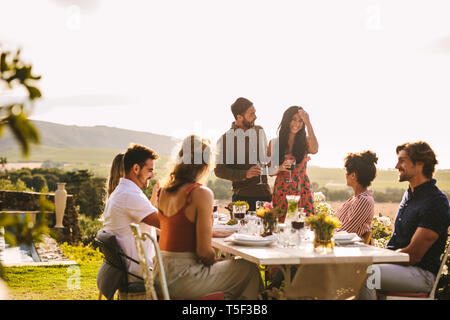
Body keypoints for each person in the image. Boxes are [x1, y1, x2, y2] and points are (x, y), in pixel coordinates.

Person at [154, 135, 263, 299]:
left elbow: (180, 232)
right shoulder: (199, 193)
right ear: (206, 164)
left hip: (160, 275)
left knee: (233, 278)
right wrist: (215, 259)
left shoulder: (164, 191)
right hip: (183, 278)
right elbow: (204, 252)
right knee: (248, 269)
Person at [359, 141, 450, 299]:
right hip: (397, 266)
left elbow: (413, 255)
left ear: (419, 164)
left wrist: (378, 259)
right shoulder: (410, 195)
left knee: (366, 275)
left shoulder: (436, 202)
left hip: (421, 274)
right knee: (350, 269)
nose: (396, 166)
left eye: (402, 161)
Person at [102, 143, 161, 282]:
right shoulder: (129, 195)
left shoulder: (123, 192)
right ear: (136, 168)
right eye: (150, 170)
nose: (152, 176)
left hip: (130, 268)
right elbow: (165, 224)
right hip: (140, 272)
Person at [214, 97, 272, 211]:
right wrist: (245, 174)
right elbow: (219, 171)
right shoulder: (225, 139)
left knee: (267, 229)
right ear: (239, 117)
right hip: (243, 198)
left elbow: (266, 157)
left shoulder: (259, 131)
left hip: (265, 195)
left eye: (255, 112)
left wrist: (271, 161)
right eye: (251, 114)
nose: (255, 116)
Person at [268, 106, 318, 219]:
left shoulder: (305, 141)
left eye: (301, 121)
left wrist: (308, 122)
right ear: (287, 120)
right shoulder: (275, 143)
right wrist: (280, 168)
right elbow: (270, 171)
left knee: (304, 224)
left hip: (302, 188)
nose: (297, 123)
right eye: (293, 119)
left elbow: (314, 149)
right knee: (281, 224)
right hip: (282, 189)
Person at [335, 151, 378, 239]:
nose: (345, 175)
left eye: (347, 172)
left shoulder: (364, 200)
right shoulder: (356, 199)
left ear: (353, 175)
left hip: (347, 249)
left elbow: (345, 232)